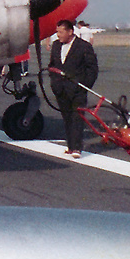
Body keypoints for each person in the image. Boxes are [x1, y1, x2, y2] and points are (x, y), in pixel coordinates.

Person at [48, 19, 98, 158]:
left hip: (77, 89)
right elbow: (52, 65)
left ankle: (77, 148)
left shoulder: (84, 47)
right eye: (57, 32)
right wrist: (54, 82)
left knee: (77, 117)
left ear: (70, 31)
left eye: (61, 32)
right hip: (61, 89)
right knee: (67, 118)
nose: (58, 35)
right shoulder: (56, 45)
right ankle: (70, 146)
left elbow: (92, 69)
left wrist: (84, 86)